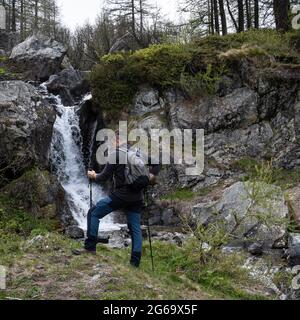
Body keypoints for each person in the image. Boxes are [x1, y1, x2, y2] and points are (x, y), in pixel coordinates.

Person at [73, 132, 160, 268]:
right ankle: (135, 262)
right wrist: (150, 177)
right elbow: (157, 163)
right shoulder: (138, 153)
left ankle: (90, 248)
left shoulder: (115, 154)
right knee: (135, 227)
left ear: (117, 140)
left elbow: (104, 177)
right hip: (137, 196)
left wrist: (93, 175)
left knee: (94, 212)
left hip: (121, 195)